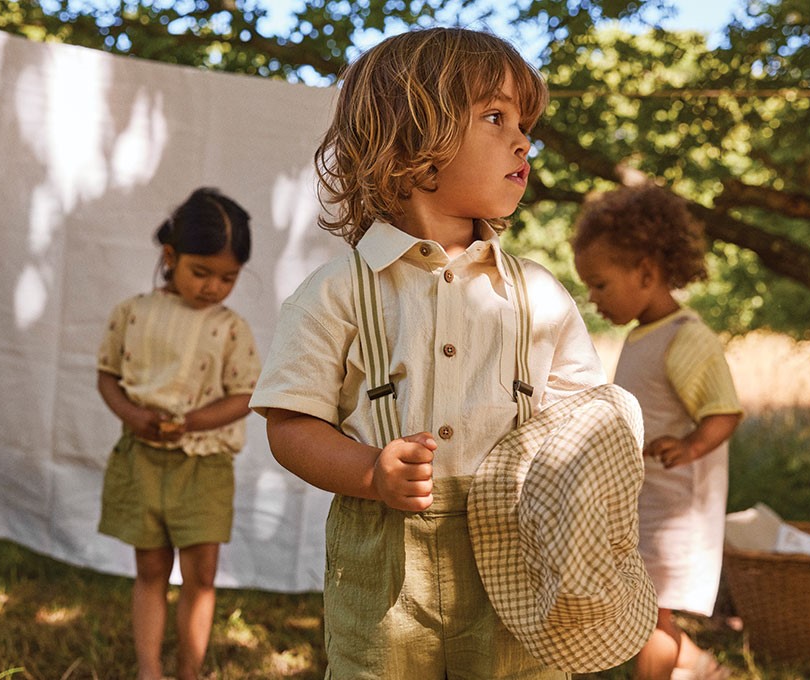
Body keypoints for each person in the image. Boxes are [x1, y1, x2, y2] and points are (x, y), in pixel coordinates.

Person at [250, 27, 610, 678]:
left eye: (524, 122)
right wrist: (369, 473)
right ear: (414, 145)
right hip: (387, 566)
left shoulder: (539, 296)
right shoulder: (336, 293)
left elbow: (585, 426)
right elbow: (290, 424)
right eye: (495, 117)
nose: (523, 139)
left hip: (516, 553)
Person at [571, 184, 743, 680]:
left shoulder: (686, 338)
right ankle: (705, 669)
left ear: (645, 273)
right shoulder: (642, 335)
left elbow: (724, 412)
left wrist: (691, 446)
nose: (592, 298)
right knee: (643, 609)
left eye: (600, 285)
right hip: (644, 506)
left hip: (675, 510)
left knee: (648, 616)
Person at [96, 187, 260, 680]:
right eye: (201, 272)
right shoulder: (132, 313)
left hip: (204, 466)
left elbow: (243, 395)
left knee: (201, 575)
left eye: (228, 278)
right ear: (171, 257)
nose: (213, 287)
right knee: (149, 570)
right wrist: (131, 413)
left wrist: (190, 423)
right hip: (141, 459)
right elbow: (107, 375)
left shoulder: (230, 329)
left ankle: (189, 670)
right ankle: (150, 669)